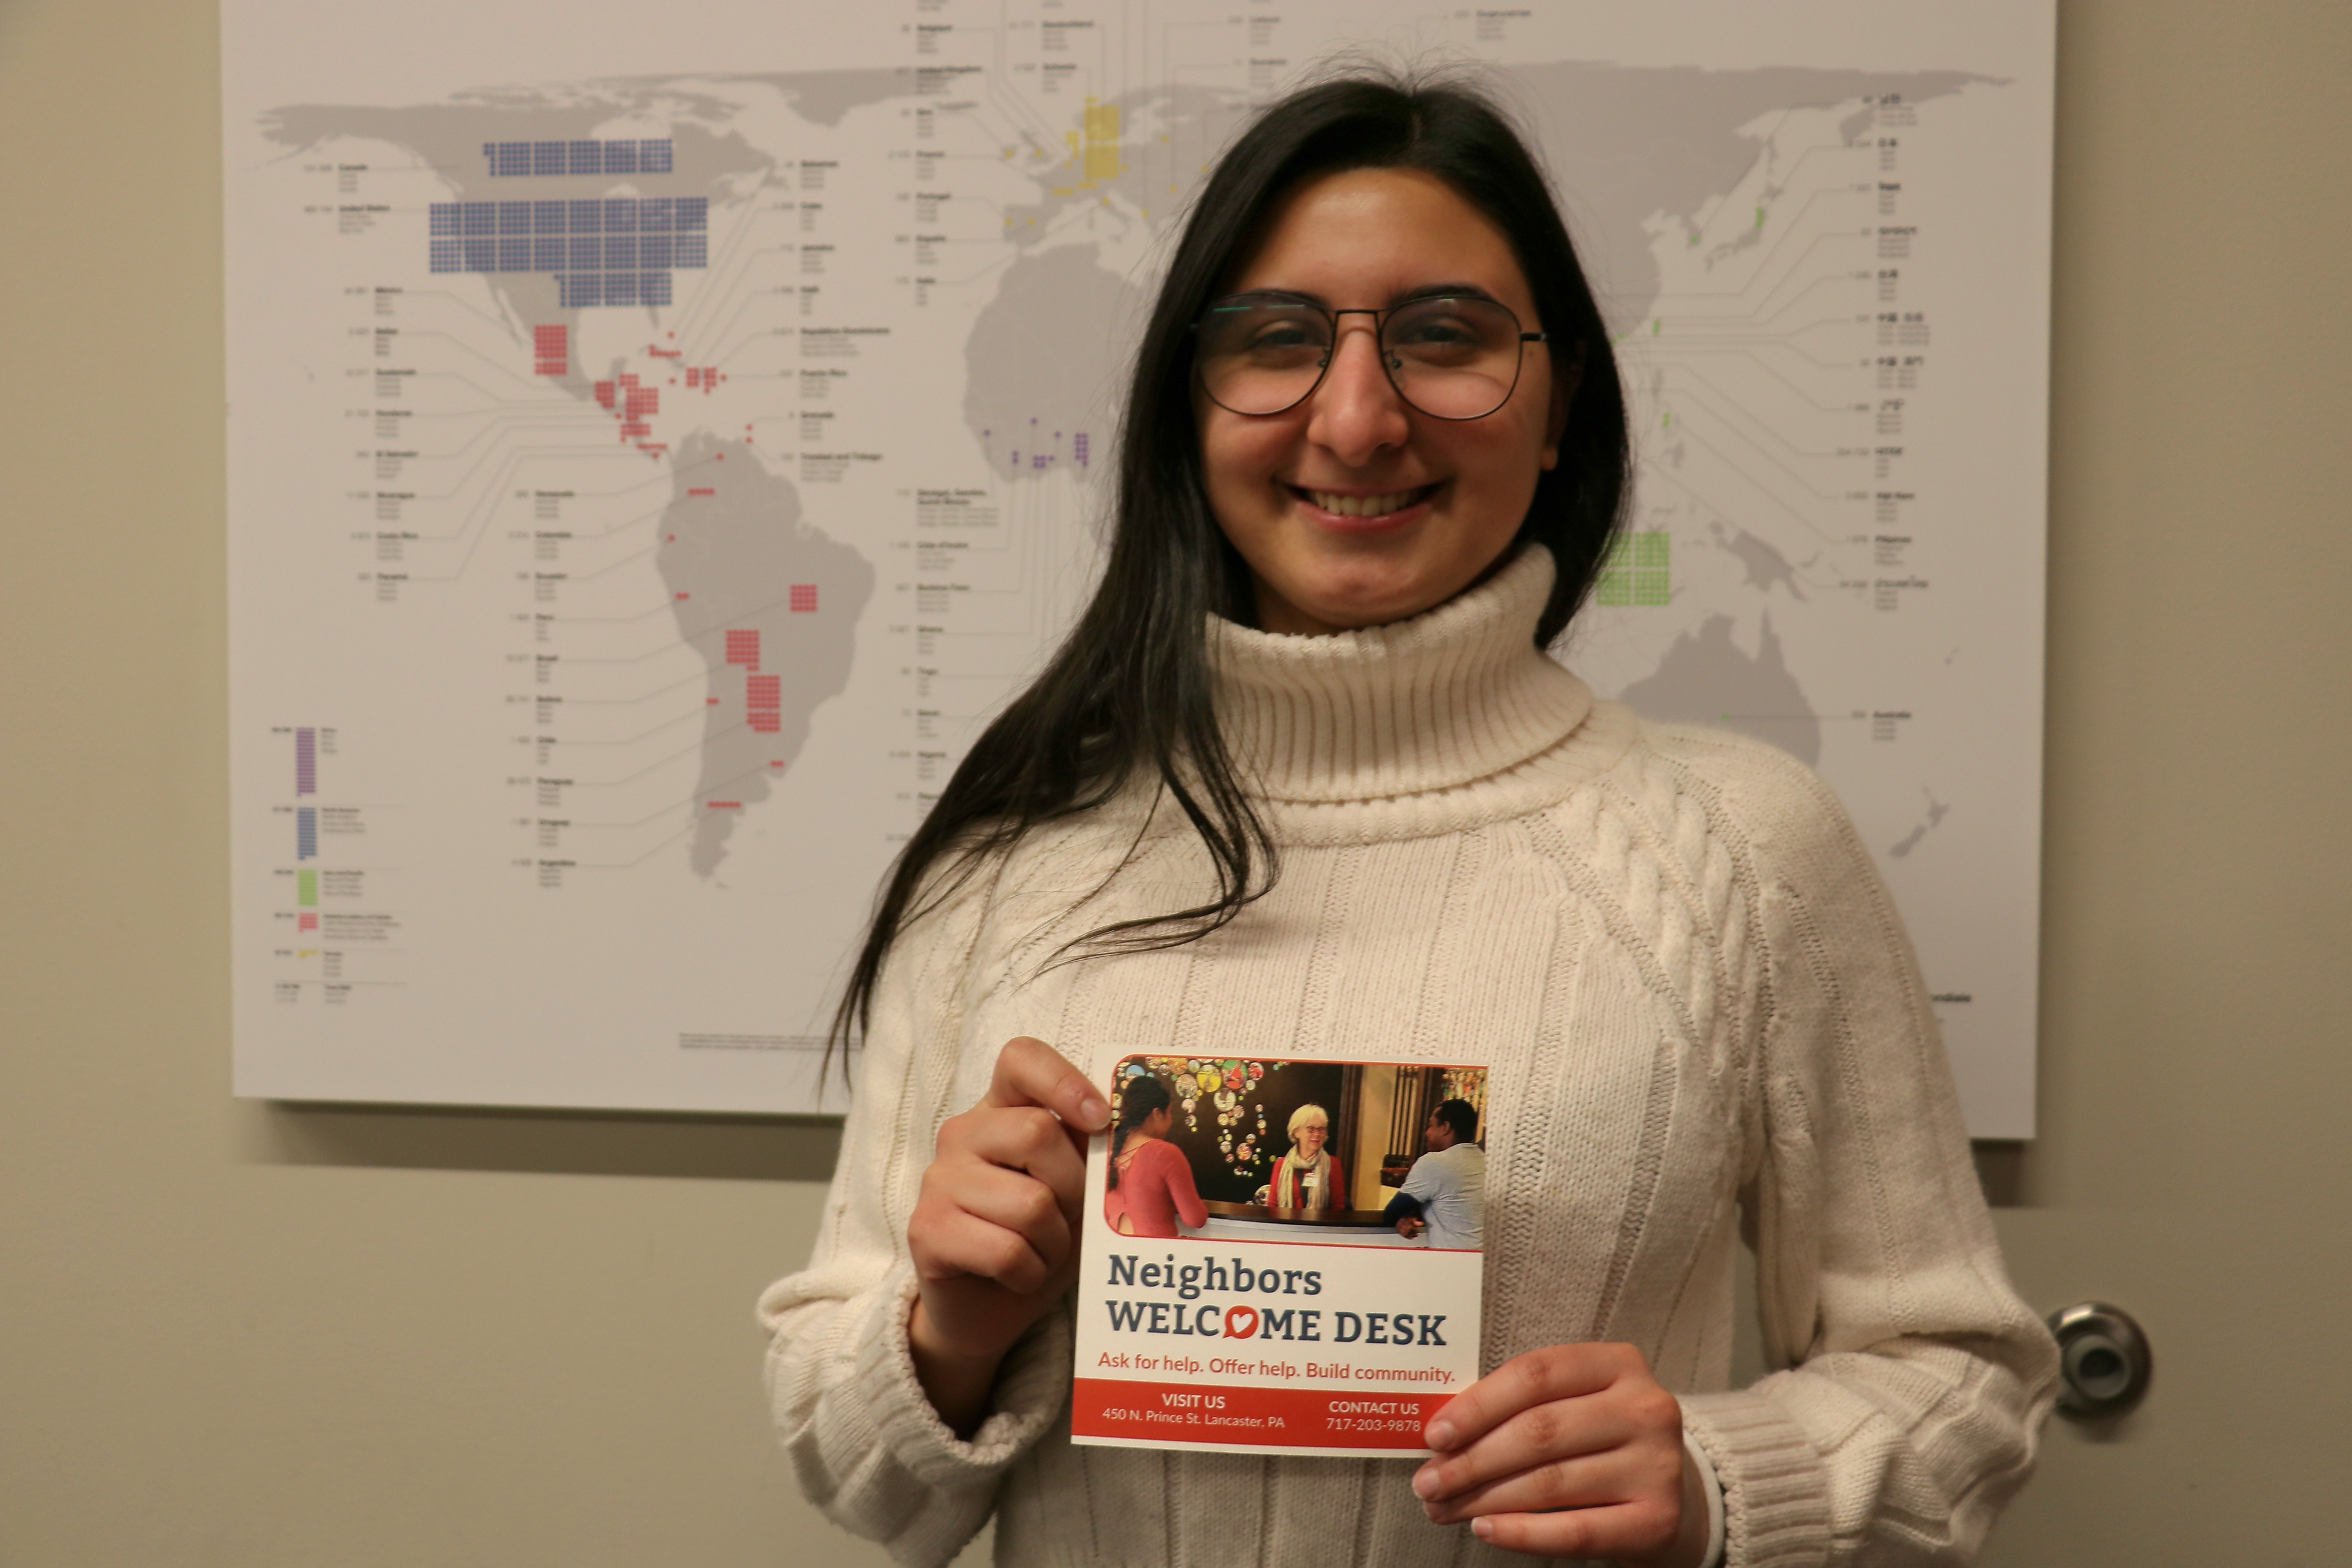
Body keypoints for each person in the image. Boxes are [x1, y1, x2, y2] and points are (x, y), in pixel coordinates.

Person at [758, 67, 2056, 1568]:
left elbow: (1964, 1386)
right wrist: (949, 1330)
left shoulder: (1747, 851)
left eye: (1443, 337)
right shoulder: (1010, 862)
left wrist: (1719, 1475)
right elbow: (863, 1481)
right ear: (1188, 409)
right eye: (1274, 343)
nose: (1358, 418)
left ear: (1559, 398)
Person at [1100, 1074, 1205, 1238]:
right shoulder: (1165, 1153)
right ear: (1157, 1114)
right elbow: (1195, 1219)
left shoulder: (1104, 1151)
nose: (1171, 1121)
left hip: (1114, 1255)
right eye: (1170, 1113)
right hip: (1154, 1260)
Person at [1386, 1098, 1485, 1250]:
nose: (1427, 1133)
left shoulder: (1435, 1163)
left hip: (1450, 1261)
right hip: (1483, 1262)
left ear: (1446, 1128)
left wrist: (1404, 1217)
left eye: (1431, 1126)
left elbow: (1392, 1211)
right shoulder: (1485, 1160)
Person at [1257, 1102, 1343, 1209]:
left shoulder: (1333, 1164)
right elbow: (1273, 1206)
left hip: (1320, 1225)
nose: (1317, 1135)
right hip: (1287, 1225)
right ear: (1297, 1132)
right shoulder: (1281, 1165)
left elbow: (1338, 1207)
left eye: (1321, 1129)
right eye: (1311, 1129)